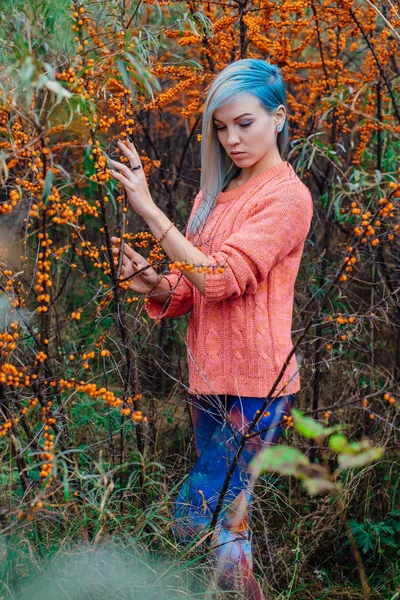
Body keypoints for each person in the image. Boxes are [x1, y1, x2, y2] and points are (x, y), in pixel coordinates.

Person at [109, 58, 313, 599]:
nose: (231, 138)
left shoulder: (286, 198)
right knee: (229, 523)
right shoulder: (212, 196)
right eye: (220, 127)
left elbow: (220, 279)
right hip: (210, 380)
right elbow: (191, 291)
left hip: (258, 389)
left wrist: (151, 211)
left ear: (278, 118)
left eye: (244, 123)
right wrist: (152, 283)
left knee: (193, 512)